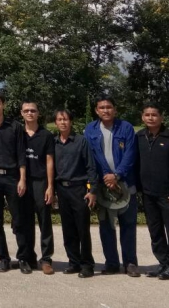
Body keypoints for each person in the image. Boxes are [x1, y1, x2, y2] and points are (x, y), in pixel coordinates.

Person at [84, 95, 140, 277]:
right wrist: (107, 177)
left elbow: (130, 154)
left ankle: (130, 262)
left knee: (128, 225)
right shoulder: (90, 130)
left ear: (115, 109)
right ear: (96, 111)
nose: (106, 110)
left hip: (125, 184)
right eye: (102, 107)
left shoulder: (126, 128)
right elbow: (92, 157)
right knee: (106, 226)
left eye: (109, 107)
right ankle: (112, 262)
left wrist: (116, 175)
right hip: (103, 186)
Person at [136, 102, 169, 280]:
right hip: (148, 193)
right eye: (147, 115)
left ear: (161, 117)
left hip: (167, 194)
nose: (150, 118)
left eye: (154, 115)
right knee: (155, 230)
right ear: (142, 117)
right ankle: (162, 263)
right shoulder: (139, 136)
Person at [0, 89, 28, 273]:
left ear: (3, 104)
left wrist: (22, 178)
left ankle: (23, 258)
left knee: (19, 219)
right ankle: (3, 258)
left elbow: (21, 154)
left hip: (12, 177)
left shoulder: (15, 127)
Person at [53, 109, 98, 278]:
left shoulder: (81, 141)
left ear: (71, 122)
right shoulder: (54, 142)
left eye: (66, 119)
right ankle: (73, 262)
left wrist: (92, 190)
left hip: (78, 189)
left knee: (82, 229)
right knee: (68, 228)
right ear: (56, 123)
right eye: (59, 119)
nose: (63, 122)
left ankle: (87, 264)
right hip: (61, 189)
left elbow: (90, 167)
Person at [19, 100, 56, 275]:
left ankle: (46, 258)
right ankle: (28, 257)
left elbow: (49, 162)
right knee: (26, 222)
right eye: (26, 110)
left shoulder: (46, 135)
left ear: (38, 113)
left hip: (41, 181)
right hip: (24, 181)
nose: (30, 113)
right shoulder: (18, 134)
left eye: (33, 110)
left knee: (44, 221)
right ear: (22, 113)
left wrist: (50, 186)